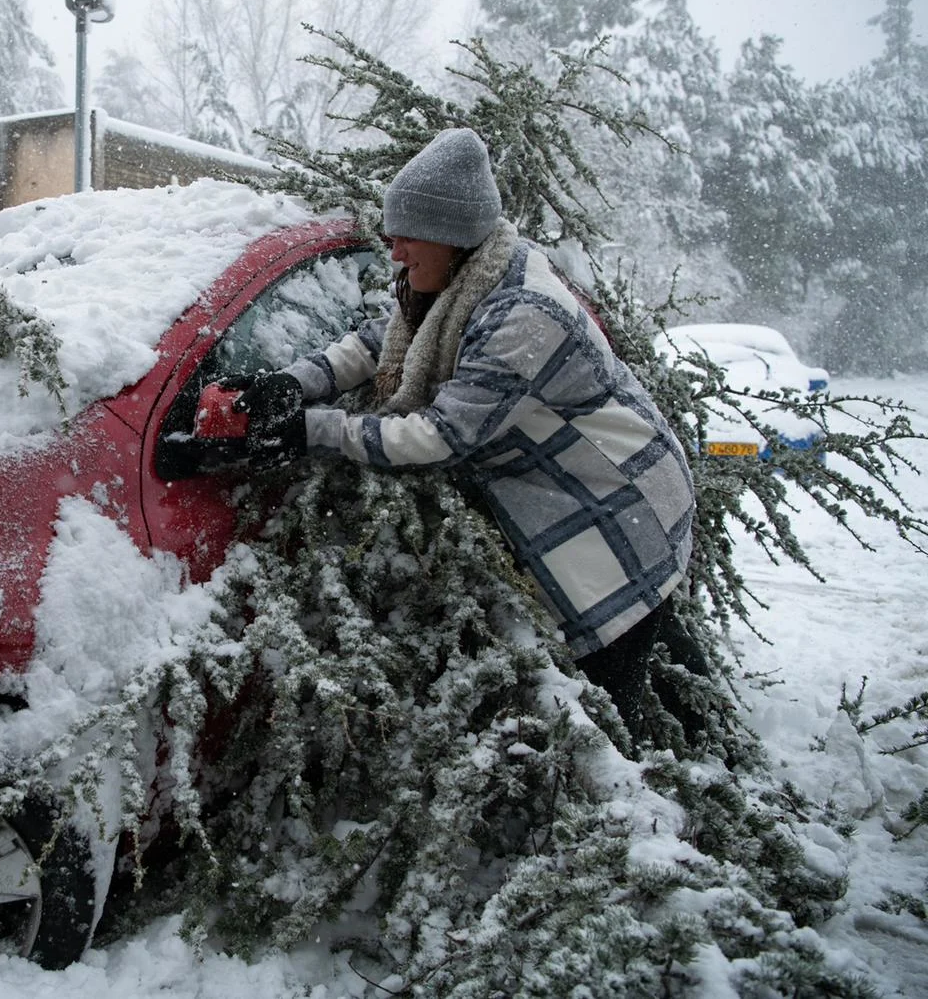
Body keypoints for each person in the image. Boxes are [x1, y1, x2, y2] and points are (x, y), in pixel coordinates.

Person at [230, 127, 697, 735]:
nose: (393, 251)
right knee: (645, 673)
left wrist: (308, 430)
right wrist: (295, 383)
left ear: (451, 236)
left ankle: (646, 816)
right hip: (584, 490)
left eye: (405, 237)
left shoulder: (525, 315)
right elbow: (383, 339)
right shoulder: (467, 278)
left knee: (607, 708)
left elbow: (437, 437)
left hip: (618, 507)